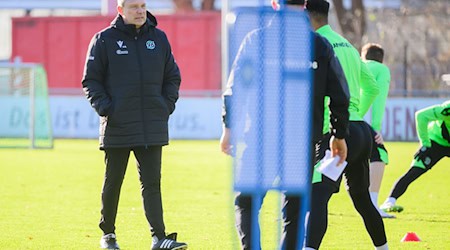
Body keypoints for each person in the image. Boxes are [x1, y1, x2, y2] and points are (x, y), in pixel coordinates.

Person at [220, 1, 350, 249]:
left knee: (246, 203)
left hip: (261, 137)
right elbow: (340, 94)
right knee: (294, 210)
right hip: (300, 141)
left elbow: (235, 89)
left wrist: (229, 127)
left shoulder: (256, 39)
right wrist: (338, 134)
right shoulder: (319, 45)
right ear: (303, 4)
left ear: (273, 4)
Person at [81, 0, 187, 249]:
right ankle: (108, 235)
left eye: (142, 5)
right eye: (133, 7)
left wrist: (165, 106)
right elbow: (90, 80)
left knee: (152, 184)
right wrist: (107, 109)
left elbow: (172, 76)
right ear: (120, 10)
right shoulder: (104, 40)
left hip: (152, 125)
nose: (140, 11)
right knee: (113, 181)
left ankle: (159, 238)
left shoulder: (159, 39)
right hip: (117, 124)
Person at [303, 1, 389, 249]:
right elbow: (372, 86)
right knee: (362, 199)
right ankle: (383, 248)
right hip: (360, 131)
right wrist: (355, 114)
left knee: (318, 196)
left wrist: (337, 123)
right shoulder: (349, 47)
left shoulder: (317, 46)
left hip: (337, 135)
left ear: (308, 16)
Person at [380, 100, 450, 213]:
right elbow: (421, 115)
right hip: (436, 141)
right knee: (415, 171)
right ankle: (390, 201)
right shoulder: (447, 109)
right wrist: (425, 144)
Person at [360, 43, 393, 218]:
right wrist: (376, 128)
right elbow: (378, 98)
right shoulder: (382, 70)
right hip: (360, 120)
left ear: (363, 56)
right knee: (380, 155)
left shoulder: (357, 65)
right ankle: (372, 205)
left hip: (340, 116)